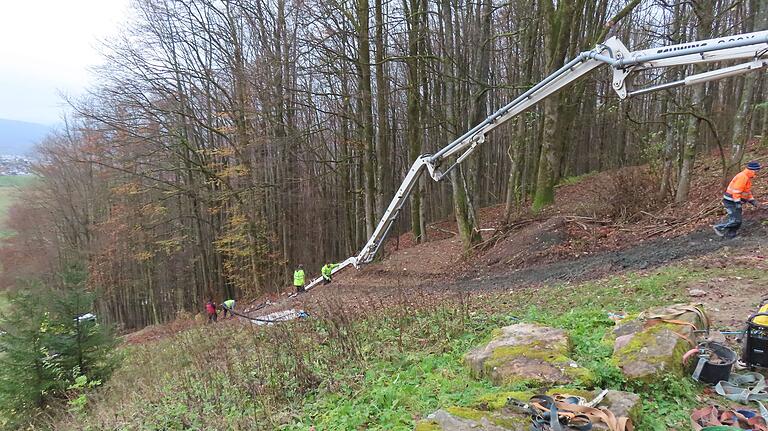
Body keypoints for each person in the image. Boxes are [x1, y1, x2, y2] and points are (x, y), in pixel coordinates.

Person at [714, 161, 761, 238]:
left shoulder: (747, 177)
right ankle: (718, 227)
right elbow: (736, 191)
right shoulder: (743, 177)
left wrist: (753, 201)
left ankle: (731, 235)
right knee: (736, 220)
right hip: (730, 201)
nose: (757, 173)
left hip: (734, 201)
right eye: (757, 171)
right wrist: (737, 203)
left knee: (738, 220)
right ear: (753, 170)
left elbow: (746, 192)